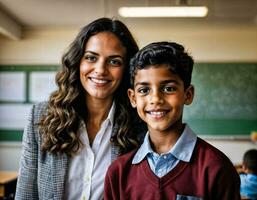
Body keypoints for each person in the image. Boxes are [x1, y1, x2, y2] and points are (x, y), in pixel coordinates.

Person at [15, 17, 146, 200]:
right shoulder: (41, 117)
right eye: (91, 57)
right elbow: (26, 195)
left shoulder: (140, 125)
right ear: (78, 62)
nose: (100, 70)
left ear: (126, 69)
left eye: (114, 61)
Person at [104, 41, 241, 200]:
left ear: (188, 95)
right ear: (133, 98)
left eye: (168, 88)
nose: (155, 99)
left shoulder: (216, 167)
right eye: (144, 90)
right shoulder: (119, 172)